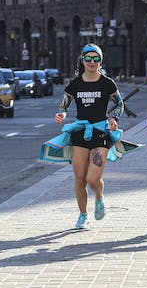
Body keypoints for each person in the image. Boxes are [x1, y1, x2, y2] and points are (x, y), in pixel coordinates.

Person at [54, 44, 125, 229]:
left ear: (100, 61)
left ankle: (99, 198)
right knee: (79, 178)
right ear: (82, 60)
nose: (92, 62)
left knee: (93, 179)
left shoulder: (107, 83)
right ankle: (83, 215)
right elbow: (64, 104)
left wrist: (114, 118)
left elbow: (119, 104)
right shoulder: (75, 83)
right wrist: (61, 114)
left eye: (96, 58)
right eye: (88, 58)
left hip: (100, 133)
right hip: (80, 133)